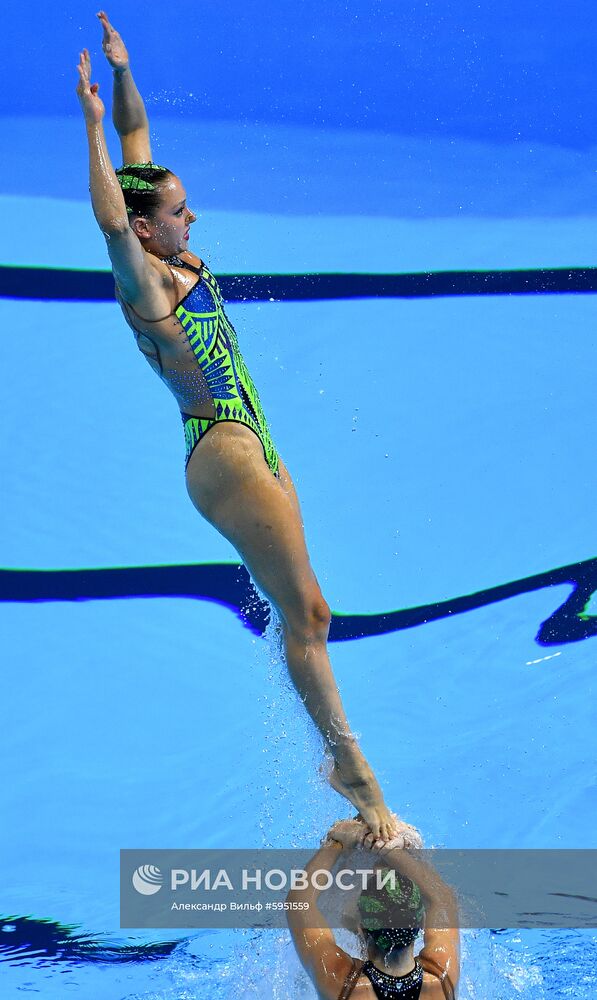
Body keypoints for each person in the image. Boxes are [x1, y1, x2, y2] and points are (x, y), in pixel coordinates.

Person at [75, 11, 398, 841]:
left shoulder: (164, 238)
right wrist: (89, 127)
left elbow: (139, 133)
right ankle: (353, 774)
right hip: (223, 448)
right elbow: (112, 221)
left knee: (308, 614)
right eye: (180, 213)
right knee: (310, 619)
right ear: (150, 229)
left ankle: (341, 759)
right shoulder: (143, 282)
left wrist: (121, 75)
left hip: (253, 439)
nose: (194, 220)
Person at [287, 818, 459, 999]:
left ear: (359, 927)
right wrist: (390, 850)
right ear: (423, 922)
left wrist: (336, 842)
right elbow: (442, 899)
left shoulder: (339, 983)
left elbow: (299, 902)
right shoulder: (443, 978)